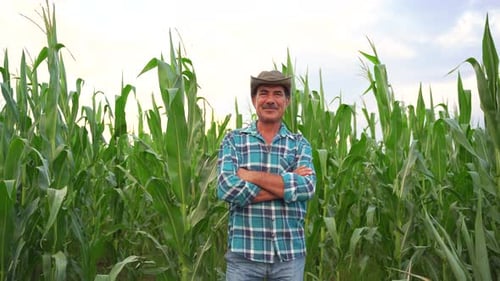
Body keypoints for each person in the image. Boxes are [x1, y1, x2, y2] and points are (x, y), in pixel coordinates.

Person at [217, 70, 316, 280]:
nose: (270, 100)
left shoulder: (299, 144)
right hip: (244, 257)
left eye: (278, 94)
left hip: (289, 257)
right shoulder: (234, 140)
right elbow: (227, 188)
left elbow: (306, 187)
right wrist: (287, 184)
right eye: (264, 93)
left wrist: (250, 176)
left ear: (287, 101)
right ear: (254, 99)